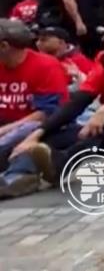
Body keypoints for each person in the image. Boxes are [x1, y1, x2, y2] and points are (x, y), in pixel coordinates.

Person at [9, 24, 104, 190]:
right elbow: (79, 101)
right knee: (49, 138)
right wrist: (38, 133)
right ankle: (19, 175)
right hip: (102, 124)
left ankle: (63, 162)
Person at [0, 20, 68, 197]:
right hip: (7, 126)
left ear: (4, 46)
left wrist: (5, 131)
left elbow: (46, 114)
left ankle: (17, 177)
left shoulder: (46, 65)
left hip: (39, 128)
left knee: (27, 140)